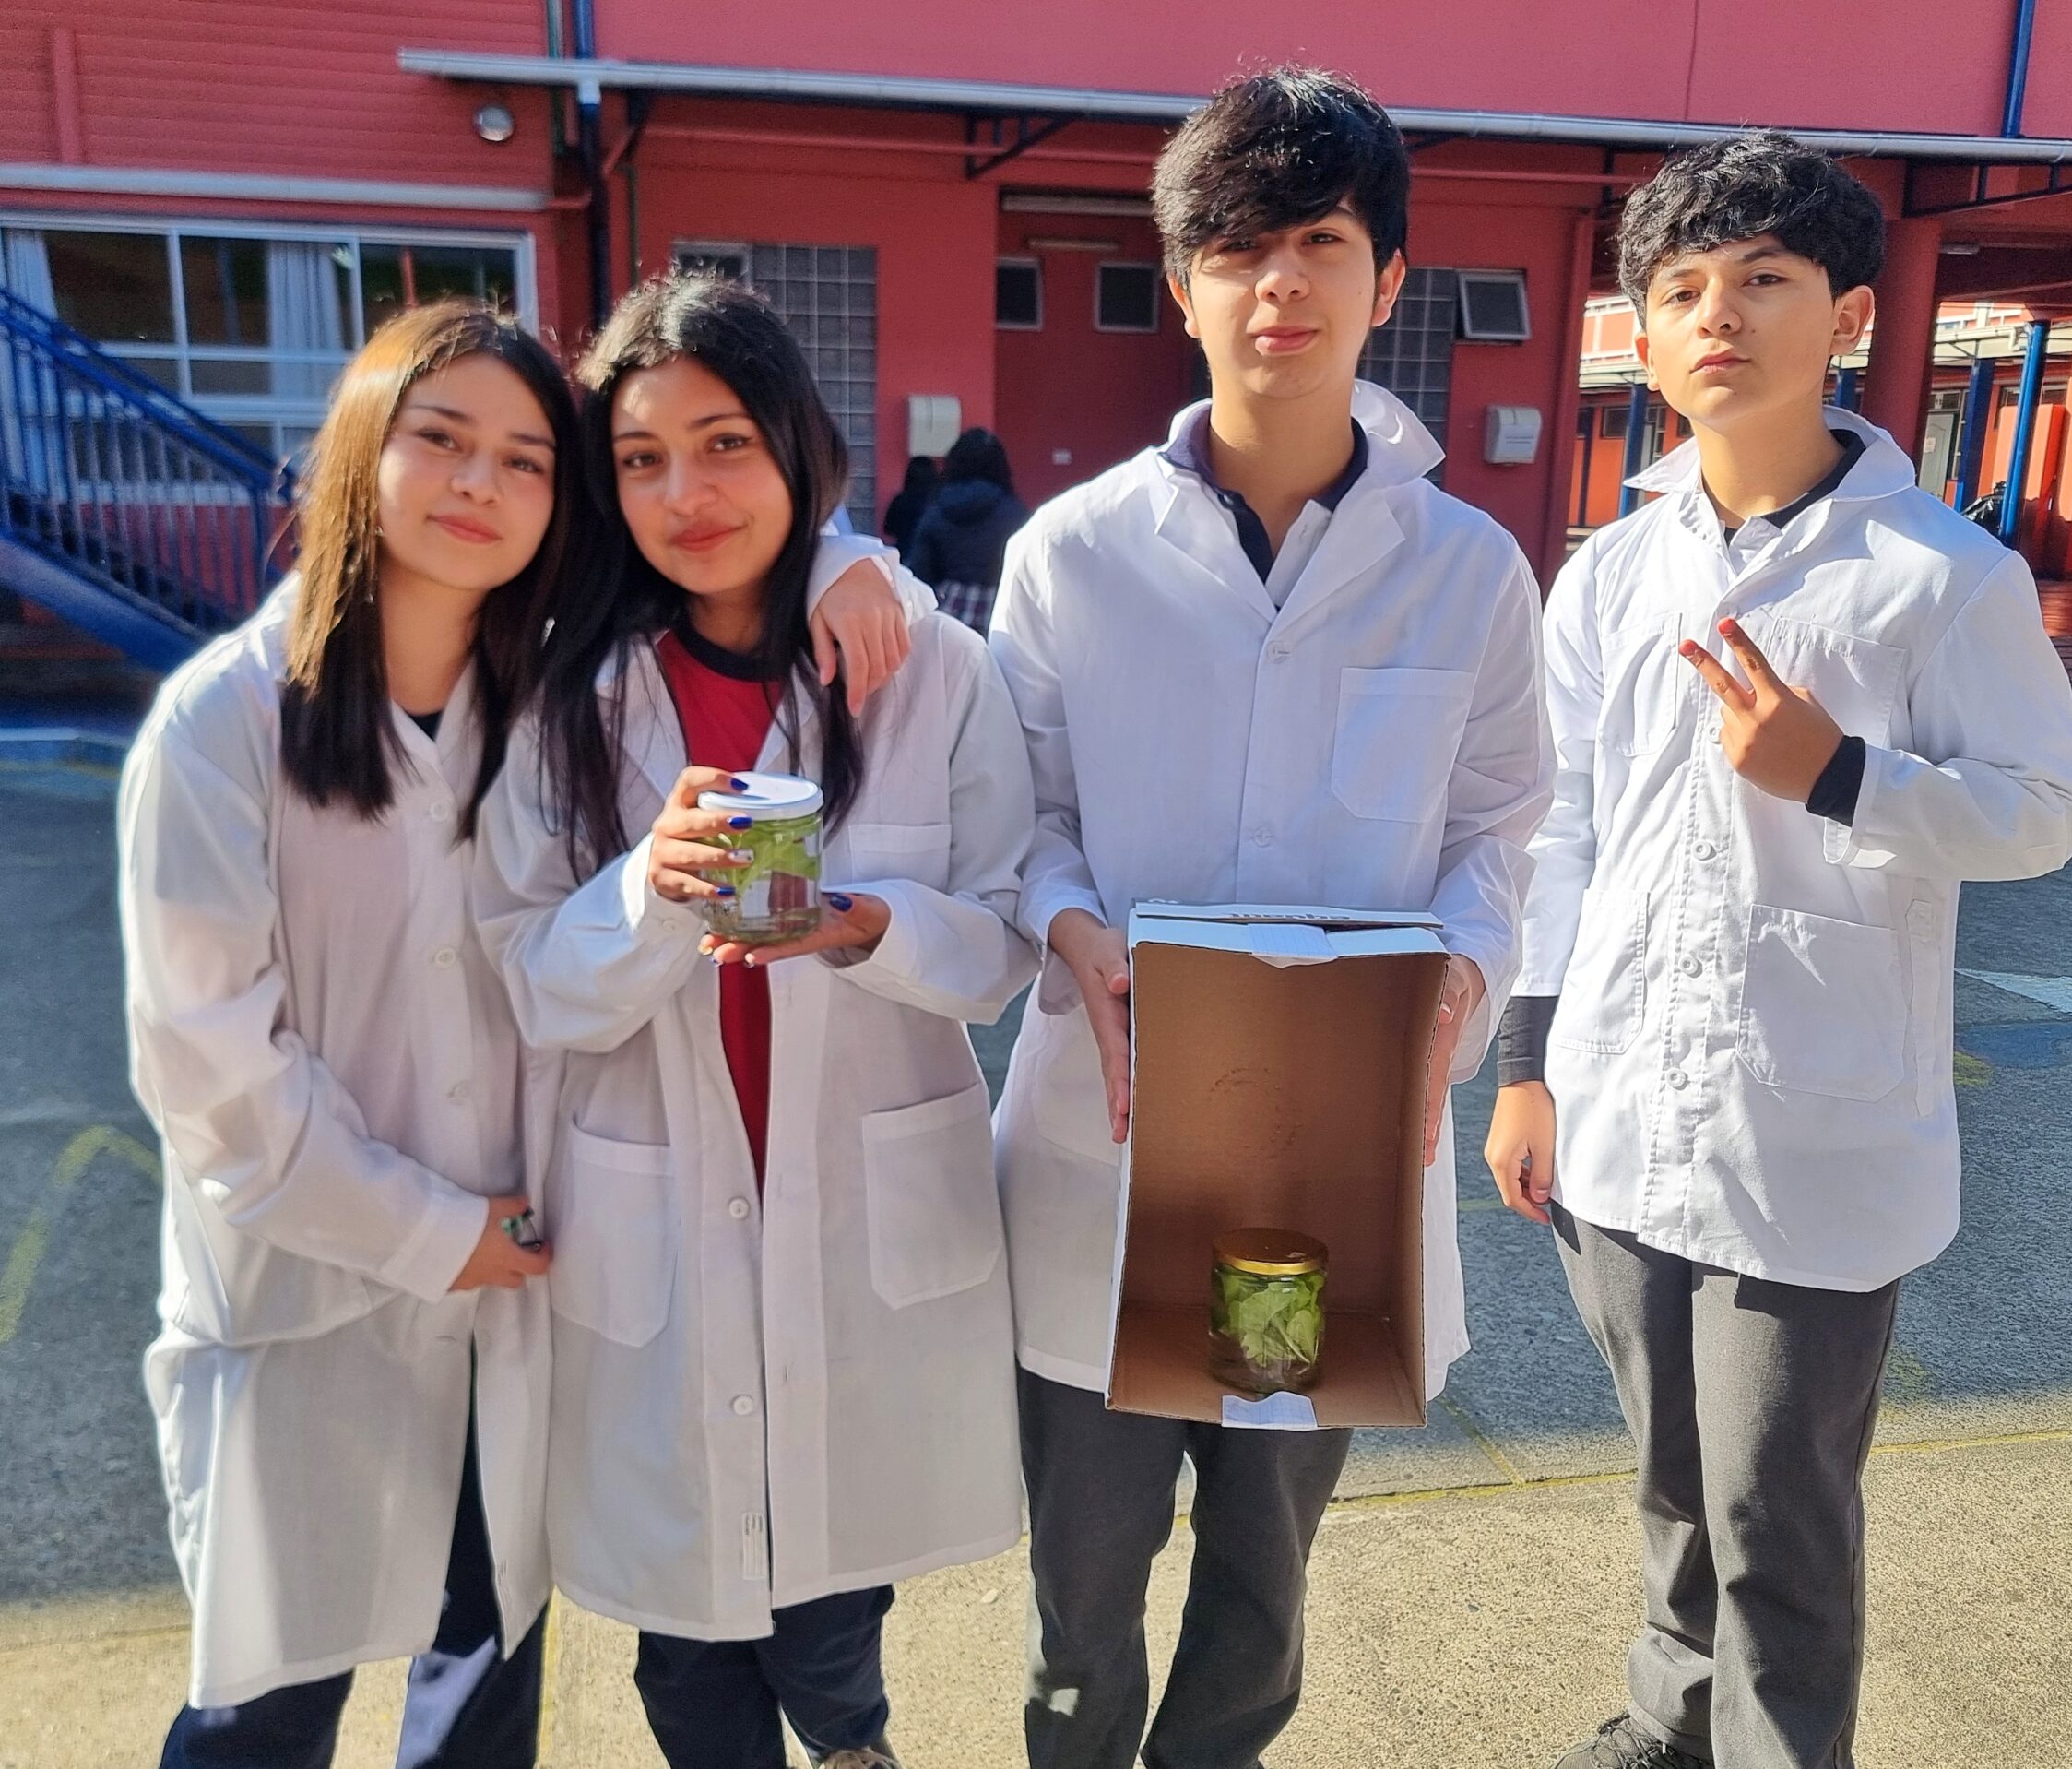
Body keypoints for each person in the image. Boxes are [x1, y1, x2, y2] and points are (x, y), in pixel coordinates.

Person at [1483, 133, 2072, 1769]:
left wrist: (1840, 774)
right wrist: (1528, 1064)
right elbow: (1562, 830)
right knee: (1673, 1477)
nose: (1721, 315)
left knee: (1780, 1508)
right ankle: (1669, 1716)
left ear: (1848, 315)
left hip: (1807, 1123)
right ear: (1643, 335)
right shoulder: (1610, 574)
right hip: (1617, 1100)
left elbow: (2045, 811)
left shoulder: (1938, 577)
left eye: (1764, 278)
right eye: (1683, 288)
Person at [989, 69, 1548, 1769]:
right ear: (1182, 286)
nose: (1279, 285)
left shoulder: (1467, 569)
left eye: (1322, 242)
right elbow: (1017, 818)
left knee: (1261, 1574)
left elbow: (1505, 824)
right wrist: (1072, 929)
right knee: (1081, 1589)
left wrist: (1460, 977)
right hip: (1111, 1151)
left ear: (1390, 278)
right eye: (1236, 248)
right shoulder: (1075, 553)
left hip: (1327, 1180)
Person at [474, 273, 1036, 1769]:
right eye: (641, 458)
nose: (688, 493)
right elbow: (524, 972)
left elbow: (999, 940)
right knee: (684, 1613)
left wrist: (872, 927)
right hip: (654, 1205)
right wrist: (645, 891)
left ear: (797, 447)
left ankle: (853, 1745)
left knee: (833, 1593)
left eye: (724, 443)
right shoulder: (563, 692)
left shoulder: (930, 671)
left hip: (855, 1201)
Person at [120, 302, 570, 1769]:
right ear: (362, 451)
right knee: (263, 1707)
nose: (480, 483)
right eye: (442, 439)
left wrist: (853, 560)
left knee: (482, 1698)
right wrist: (437, 1232)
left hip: (509, 1297)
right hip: (310, 1298)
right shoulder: (222, 724)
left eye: (525, 459)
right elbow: (217, 1077)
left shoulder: (550, 712)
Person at [905, 427, 1028, 633]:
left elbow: (920, 572)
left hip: (946, 617)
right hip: (1000, 615)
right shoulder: (1015, 514)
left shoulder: (936, 510)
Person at [880, 453, 939, 552]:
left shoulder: (901, 500)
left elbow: (888, 529)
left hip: (904, 550)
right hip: (931, 551)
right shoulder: (937, 502)